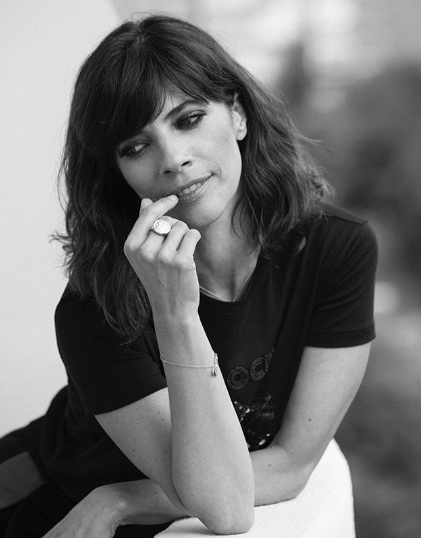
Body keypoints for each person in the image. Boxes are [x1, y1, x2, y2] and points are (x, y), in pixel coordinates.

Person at [0, 14, 378, 538]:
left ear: (238, 115)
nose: (173, 159)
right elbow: (227, 504)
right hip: (43, 503)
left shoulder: (335, 250)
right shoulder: (95, 304)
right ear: (117, 172)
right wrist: (173, 310)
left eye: (189, 119)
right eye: (136, 147)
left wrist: (121, 499)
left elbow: (287, 468)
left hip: (111, 508)